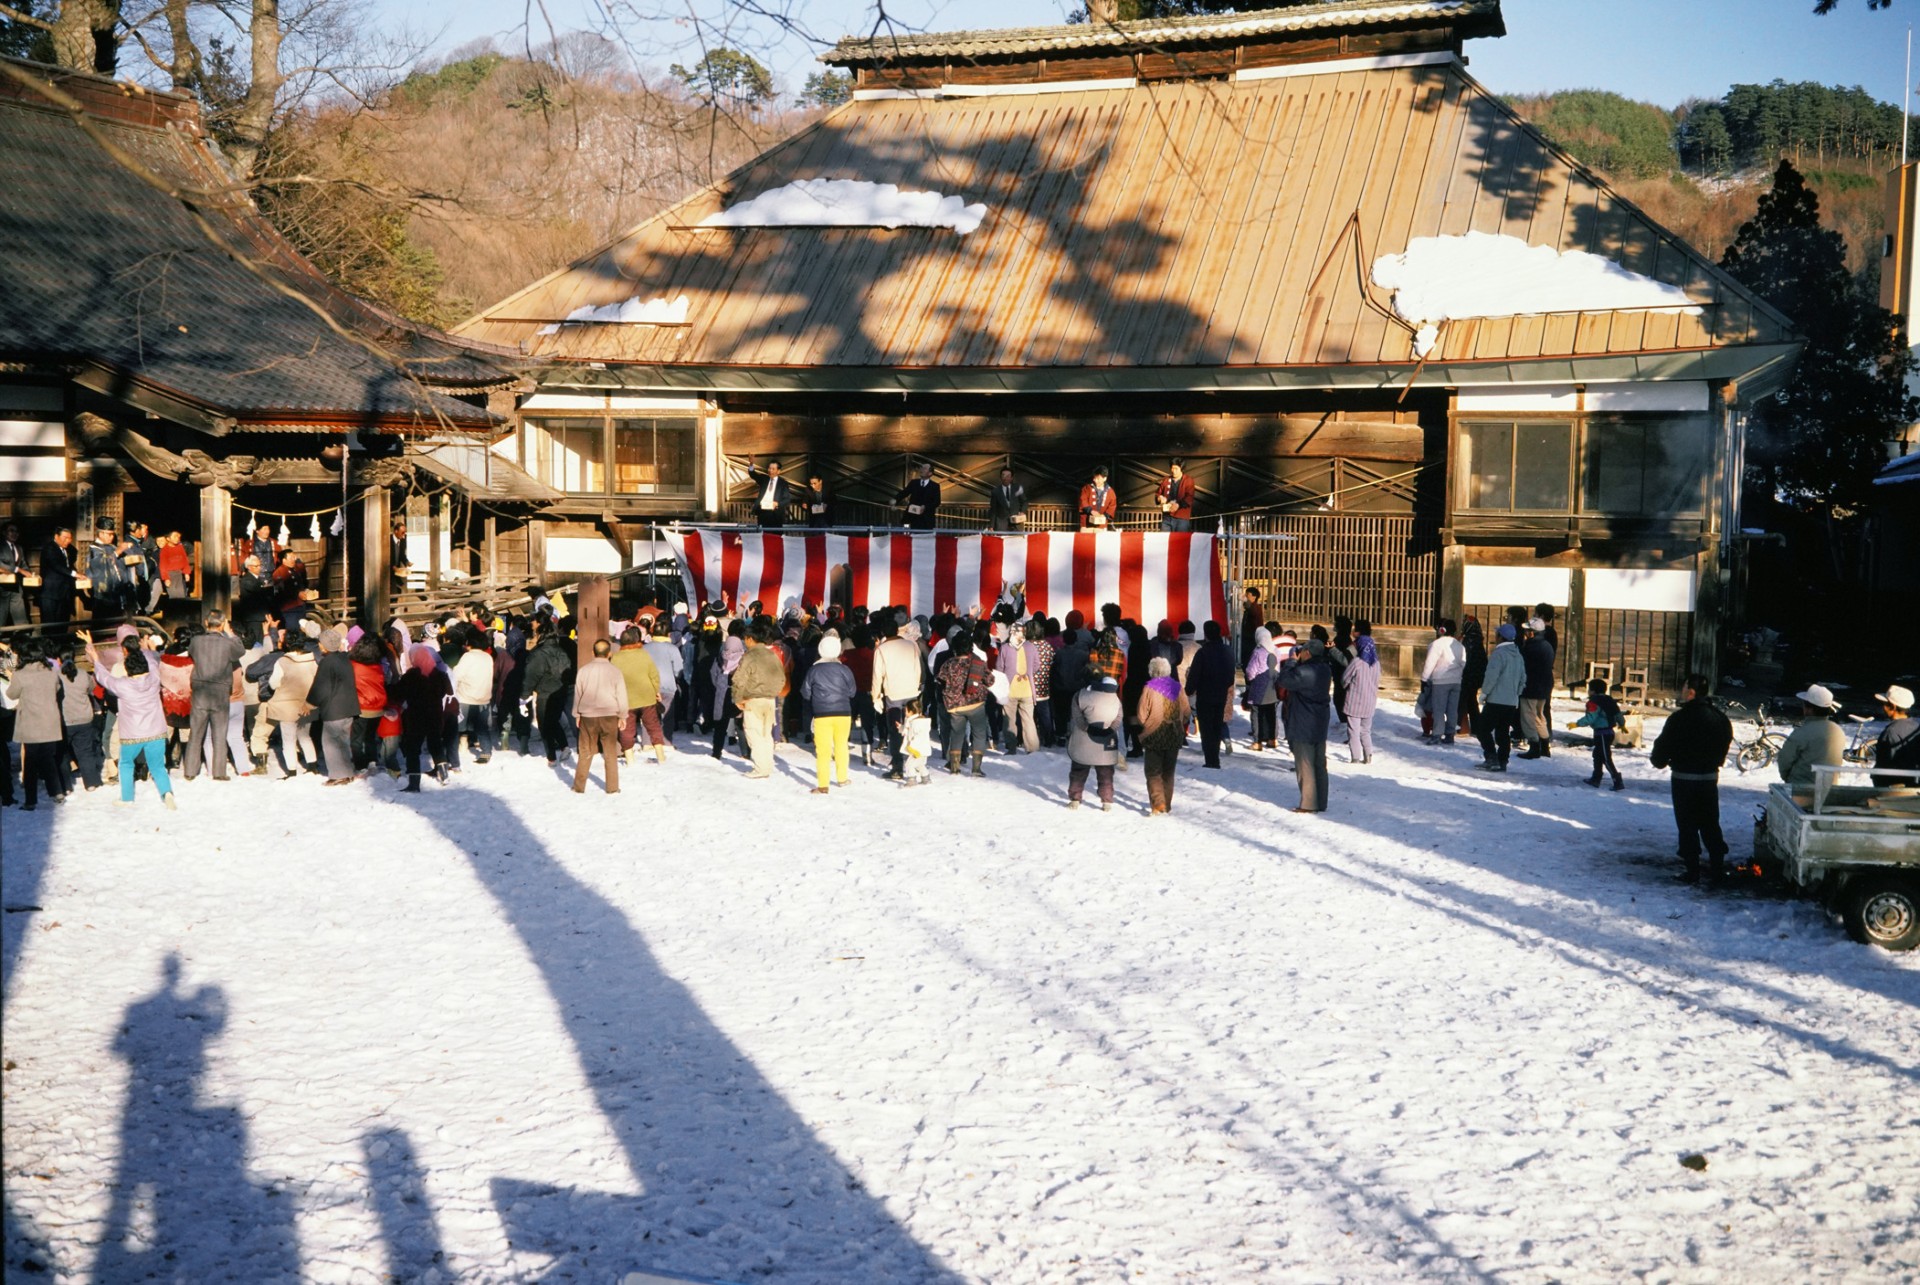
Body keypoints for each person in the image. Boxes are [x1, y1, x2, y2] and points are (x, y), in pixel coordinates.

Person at [1649, 675, 1735, 885]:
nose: (1681, 690)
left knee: (1687, 824)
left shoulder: (1679, 718)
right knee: (1710, 822)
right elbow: (1725, 742)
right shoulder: (1719, 718)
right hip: (1708, 778)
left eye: (1684, 686)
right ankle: (1717, 868)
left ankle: (1692, 869)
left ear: (1691, 692)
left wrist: (1660, 761)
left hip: (1683, 778)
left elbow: (1662, 749)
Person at [81, 629, 175, 809]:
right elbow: (154, 659)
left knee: (125, 763)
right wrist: (149, 648)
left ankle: (127, 798)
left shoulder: (122, 685)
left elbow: (103, 676)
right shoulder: (154, 678)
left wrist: (92, 651)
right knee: (158, 767)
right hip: (156, 730)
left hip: (132, 733)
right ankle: (167, 792)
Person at [8, 640, 70, 809]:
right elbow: (57, 689)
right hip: (50, 722)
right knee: (49, 760)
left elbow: (12, 694)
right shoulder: (50, 673)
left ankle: (30, 800)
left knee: (30, 764)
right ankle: (57, 792)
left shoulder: (20, 674)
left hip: (31, 724)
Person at [183, 610, 244, 781]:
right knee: (220, 732)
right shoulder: (227, 644)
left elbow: (192, 654)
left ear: (205, 622)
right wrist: (231, 634)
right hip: (221, 691)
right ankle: (219, 772)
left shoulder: (196, 641)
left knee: (195, 732)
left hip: (200, 689)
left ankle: (190, 770)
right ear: (223, 624)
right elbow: (240, 651)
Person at [1275, 635, 1333, 813]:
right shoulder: (1325, 669)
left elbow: (1284, 680)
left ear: (1307, 653)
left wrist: (1292, 662)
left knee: (1304, 764)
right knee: (1319, 764)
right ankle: (1321, 801)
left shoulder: (1304, 672)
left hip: (1303, 721)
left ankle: (1308, 803)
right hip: (1319, 720)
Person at [304, 627, 361, 785]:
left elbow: (320, 687)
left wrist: (309, 703)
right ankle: (347, 771)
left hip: (334, 709)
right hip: (348, 706)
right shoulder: (345, 658)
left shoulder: (327, 662)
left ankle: (337, 775)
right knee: (343, 742)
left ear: (325, 645)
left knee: (330, 743)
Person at [731, 618, 787, 779]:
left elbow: (739, 679)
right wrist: (773, 692)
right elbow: (781, 678)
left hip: (752, 699)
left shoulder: (749, 656)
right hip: (770, 699)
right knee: (766, 734)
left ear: (750, 639)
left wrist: (737, 698)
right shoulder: (772, 654)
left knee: (754, 734)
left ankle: (760, 768)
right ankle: (767, 765)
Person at [801, 632, 857, 794]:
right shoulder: (845, 669)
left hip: (821, 713)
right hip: (844, 713)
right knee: (841, 746)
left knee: (823, 750)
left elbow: (805, 692)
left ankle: (823, 785)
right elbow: (852, 692)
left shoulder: (814, 670)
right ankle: (842, 778)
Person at [394, 644, 453, 793]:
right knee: (436, 744)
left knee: (413, 749)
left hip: (416, 718)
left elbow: (398, 694)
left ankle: (414, 783)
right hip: (435, 716)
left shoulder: (411, 676)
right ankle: (444, 775)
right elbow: (449, 691)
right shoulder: (439, 674)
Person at [571, 638, 627, 794]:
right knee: (610, 752)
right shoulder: (615, 672)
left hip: (587, 716)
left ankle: (579, 786)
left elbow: (578, 694)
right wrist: (623, 715)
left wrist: (577, 713)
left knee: (585, 751)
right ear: (609, 653)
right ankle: (612, 787)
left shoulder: (584, 671)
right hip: (609, 715)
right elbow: (621, 695)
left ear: (592, 653)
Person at [871, 617, 923, 779]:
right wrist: (918, 687)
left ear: (882, 633)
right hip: (912, 692)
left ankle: (898, 767)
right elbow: (918, 669)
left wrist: (875, 696)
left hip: (893, 694)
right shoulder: (912, 645)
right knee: (913, 730)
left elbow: (877, 676)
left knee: (895, 731)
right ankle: (916, 765)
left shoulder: (881, 650)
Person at [1138, 656, 1190, 814]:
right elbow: (1186, 711)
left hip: (1154, 733)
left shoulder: (1149, 688)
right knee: (1169, 771)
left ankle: (1157, 803)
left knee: (1153, 770)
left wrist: (1146, 725)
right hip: (1174, 733)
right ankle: (1166, 803)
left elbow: (1141, 714)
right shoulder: (1177, 687)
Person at [940, 625, 993, 776]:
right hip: (976, 704)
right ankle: (976, 768)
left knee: (957, 734)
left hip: (955, 706)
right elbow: (990, 680)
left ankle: (955, 767)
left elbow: (941, 680)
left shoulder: (948, 664)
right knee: (979, 733)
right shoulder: (978, 662)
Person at [1066, 673, 1124, 809]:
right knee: (1106, 772)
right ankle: (1107, 800)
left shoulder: (1081, 696)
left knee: (1079, 769)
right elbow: (1119, 717)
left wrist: (1086, 727)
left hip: (1084, 739)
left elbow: (1077, 716)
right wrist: (1109, 730)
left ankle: (1075, 798)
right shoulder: (1116, 700)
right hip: (1106, 740)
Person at [519, 619, 573, 763]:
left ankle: (551, 758)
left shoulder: (539, 654)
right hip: (560, 690)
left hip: (545, 692)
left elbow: (530, 675)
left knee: (545, 725)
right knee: (554, 721)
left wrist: (524, 696)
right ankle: (564, 746)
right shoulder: (561, 651)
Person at [1184, 620, 1235, 768]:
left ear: (1206, 634)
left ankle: (1210, 758)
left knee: (1207, 728)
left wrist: (1189, 689)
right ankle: (1215, 756)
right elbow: (1230, 674)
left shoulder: (1203, 652)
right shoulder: (1227, 651)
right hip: (1220, 693)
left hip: (1205, 694)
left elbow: (1194, 674)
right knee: (1217, 725)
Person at [612, 626, 667, 763]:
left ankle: (630, 759)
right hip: (647, 696)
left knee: (627, 728)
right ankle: (660, 755)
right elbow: (654, 675)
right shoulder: (644, 654)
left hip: (626, 699)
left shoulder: (616, 658)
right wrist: (656, 691)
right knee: (653, 725)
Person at [1776, 683, 1846, 789]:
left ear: (1809, 709)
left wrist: (1788, 778)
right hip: (1829, 789)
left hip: (1801, 789)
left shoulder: (1802, 732)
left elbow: (1784, 760)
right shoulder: (1838, 731)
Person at [1475, 623, 1524, 771]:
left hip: (1496, 699)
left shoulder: (1499, 654)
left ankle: (1491, 757)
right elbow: (1523, 678)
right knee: (1503, 732)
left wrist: (1484, 693)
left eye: (1497, 634)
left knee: (1482, 729)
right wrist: (1516, 694)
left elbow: (1491, 676)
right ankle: (1503, 760)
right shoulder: (1518, 655)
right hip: (1511, 701)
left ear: (1501, 637)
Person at [1570, 678, 1626, 790]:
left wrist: (1577, 724)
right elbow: (1618, 714)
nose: (1588, 691)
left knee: (1605, 758)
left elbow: (1591, 717)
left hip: (1601, 734)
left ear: (1593, 691)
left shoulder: (1593, 702)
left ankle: (1617, 780)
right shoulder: (1610, 699)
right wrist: (1622, 724)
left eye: (1589, 689)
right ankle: (1596, 778)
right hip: (1609, 733)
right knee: (1597, 755)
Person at [1419, 619, 1467, 745]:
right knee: (1452, 709)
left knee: (1439, 709)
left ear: (1442, 630)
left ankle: (1437, 734)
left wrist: (1424, 679)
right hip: (1456, 681)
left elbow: (1430, 663)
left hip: (1440, 680)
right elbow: (1463, 663)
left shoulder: (1437, 644)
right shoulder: (1459, 645)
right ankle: (1450, 734)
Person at [452, 631, 497, 764]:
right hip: (484, 698)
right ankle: (486, 752)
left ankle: (453, 755)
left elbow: (457, 675)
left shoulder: (467, 657)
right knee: (482, 729)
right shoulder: (488, 657)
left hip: (466, 698)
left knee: (457, 728)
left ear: (469, 644)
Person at [1517, 617, 1556, 759]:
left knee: (1528, 717)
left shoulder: (1530, 646)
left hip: (1531, 686)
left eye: (1527, 630)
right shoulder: (1547, 645)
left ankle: (1534, 746)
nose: (1525, 632)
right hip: (1544, 686)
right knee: (1540, 716)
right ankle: (1545, 746)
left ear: (1533, 632)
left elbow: (1524, 667)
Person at [1344, 620, 1380, 764]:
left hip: (1354, 700)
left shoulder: (1357, 662)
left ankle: (1355, 757)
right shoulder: (1376, 663)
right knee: (1366, 730)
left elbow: (1345, 678)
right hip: (1370, 701)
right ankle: (1368, 754)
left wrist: (1347, 685)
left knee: (1353, 730)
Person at [1872, 684, 1920, 787]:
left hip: (1893, 790)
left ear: (1892, 707)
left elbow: (1884, 766)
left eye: (1885, 703)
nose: (1883, 707)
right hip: (1913, 787)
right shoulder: (1916, 727)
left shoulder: (1891, 732)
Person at [1242, 627, 1281, 751]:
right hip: (1273, 685)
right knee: (1271, 713)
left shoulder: (1258, 652)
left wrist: (1250, 680)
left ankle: (1257, 742)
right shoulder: (1276, 650)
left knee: (1256, 713)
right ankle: (1272, 739)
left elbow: (1250, 671)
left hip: (1259, 685)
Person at [38, 527, 77, 626]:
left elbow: (69, 566)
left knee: (62, 622)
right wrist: (75, 574)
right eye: (65, 538)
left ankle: (61, 641)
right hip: (50, 593)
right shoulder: (49, 548)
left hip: (64, 593)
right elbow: (56, 565)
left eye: (70, 538)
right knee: (50, 623)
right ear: (56, 536)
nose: (68, 541)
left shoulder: (67, 550)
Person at [747, 459, 796, 529]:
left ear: (779, 471)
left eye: (773, 469)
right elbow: (753, 474)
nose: (770, 470)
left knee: (775, 536)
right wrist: (751, 464)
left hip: (775, 513)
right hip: (762, 511)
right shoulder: (764, 479)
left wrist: (777, 504)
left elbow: (787, 499)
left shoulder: (783, 483)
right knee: (763, 535)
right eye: (769, 468)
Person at [894, 462, 941, 530]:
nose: (921, 470)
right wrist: (895, 500)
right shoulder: (914, 483)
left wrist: (925, 507)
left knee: (925, 537)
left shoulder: (935, 486)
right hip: (911, 517)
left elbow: (937, 502)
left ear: (930, 473)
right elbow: (904, 493)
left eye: (924, 468)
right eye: (921, 467)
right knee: (908, 537)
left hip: (926, 519)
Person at [0, 522, 30, 625]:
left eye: (16, 531)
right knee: (1, 616)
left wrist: (30, 574)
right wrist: (19, 570)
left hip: (16, 587)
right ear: (4, 533)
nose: (14, 534)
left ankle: (23, 637)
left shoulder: (19, 548)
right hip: (2, 587)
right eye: (11, 531)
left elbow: (24, 565)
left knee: (20, 616)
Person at [899, 699, 933, 785]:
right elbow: (907, 730)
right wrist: (900, 727)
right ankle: (926, 778)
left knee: (909, 765)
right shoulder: (912, 720)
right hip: (921, 750)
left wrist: (912, 746)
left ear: (911, 711)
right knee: (919, 765)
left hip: (917, 750)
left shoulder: (917, 723)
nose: (905, 712)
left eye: (906, 710)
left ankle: (911, 780)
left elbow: (918, 736)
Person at [1155, 459, 1195, 532]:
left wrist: (1178, 505)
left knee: (1180, 541)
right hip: (1166, 517)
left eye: (1176, 468)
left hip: (1181, 518)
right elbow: (1158, 493)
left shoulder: (1188, 480)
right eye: (1172, 468)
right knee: (1164, 540)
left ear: (1181, 469)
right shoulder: (1166, 480)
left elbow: (1189, 498)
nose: (1173, 471)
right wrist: (1160, 498)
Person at [1078, 466, 1118, 531]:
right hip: (1086, 524)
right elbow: (1083, 500)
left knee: (1101, 540)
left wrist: (1105, 515)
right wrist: (1091, 511)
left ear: (1104, 478)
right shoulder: (1087, 488)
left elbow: (1112, 506)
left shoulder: (1110, 492)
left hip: (1101, 525)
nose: (1095, 480)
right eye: (1094, 478)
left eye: (1098, 478)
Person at [988, 468, 1028, 532]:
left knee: (1017, 541)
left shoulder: (1017, 488)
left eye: (1008, 476)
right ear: (1000, 477)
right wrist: (991, 526)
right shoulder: (995, 491)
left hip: (1017, 523)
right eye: (1003, 475)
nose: (1005, 478)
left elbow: (1024, 502)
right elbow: (993, 510)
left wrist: (1022, 512)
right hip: (1001, 525)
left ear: (1012, 478)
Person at [1238, 586, 1264, 669]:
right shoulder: (1250, 608)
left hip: (1252, 637)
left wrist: (1245, 601)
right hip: (1247, 637)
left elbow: (1252, 610)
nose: (1245, 596)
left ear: (1254, 597)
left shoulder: (1256, 607)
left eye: (1247, 594)